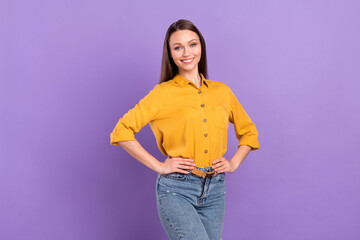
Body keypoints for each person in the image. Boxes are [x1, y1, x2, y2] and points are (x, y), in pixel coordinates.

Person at [110, 19, 260, 240]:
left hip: (216, 189)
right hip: (177, 189)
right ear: (170, 54)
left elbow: (249, 132)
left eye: (192, 44)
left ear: (201, 47)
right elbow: (121, 131)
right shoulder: (162, 94)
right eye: (177, 47)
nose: (186, 52)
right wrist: (159, 166)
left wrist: (234, 162)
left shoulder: (222, 91)